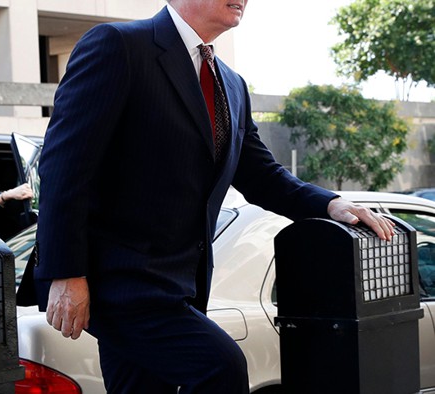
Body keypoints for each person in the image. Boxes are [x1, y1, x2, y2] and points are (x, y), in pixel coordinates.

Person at [27, 1, 396, 393]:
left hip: (181, 286)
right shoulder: (118, 46)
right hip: (118, 285)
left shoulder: (232, 85)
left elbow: (261, 175)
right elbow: (63, 166)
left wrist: (330, 204)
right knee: (220, 367)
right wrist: (66, 273)